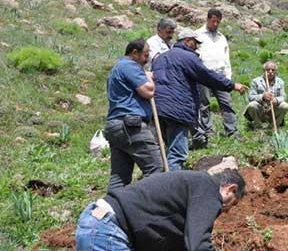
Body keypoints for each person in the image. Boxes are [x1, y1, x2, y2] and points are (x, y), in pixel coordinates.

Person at [75, 169, 246, 251]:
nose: (228, 211)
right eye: (234, 203)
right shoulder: (209, 188)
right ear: (230, 189)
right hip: (108, 230)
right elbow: (199, 245)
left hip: (97, 224)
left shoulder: (190, 189)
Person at [152, 28, 247, 171]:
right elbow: (207, 76)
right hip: (177, 109)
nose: (197, 47)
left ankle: (160, 182)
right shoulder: (188, 57)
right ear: (187, 41)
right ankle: (173, 188)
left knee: (167, 150)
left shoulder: (160, 58)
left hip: (158, 110)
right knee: (177, 154)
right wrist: (232, 85)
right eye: (196, 43)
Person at [104, 39, 163, 192]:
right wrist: (148, 78)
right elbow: (148, 91)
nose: (146, 59)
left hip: (115, 126)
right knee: (156, 169)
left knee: (119, 178)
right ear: (134, 53)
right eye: (145, 55)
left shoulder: (117, 68)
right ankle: (145, 207)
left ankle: (112, 211)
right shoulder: (130, 66)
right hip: (131, 125)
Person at [192, 8, 241, 146]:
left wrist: (228, 76)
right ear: (207, 19)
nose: (215, 24)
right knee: (204, 104)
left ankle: (232, 131)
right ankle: (208, 131)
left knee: (227, 103)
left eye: (218, 22)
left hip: (220, 75)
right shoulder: (198, 35)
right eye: (213, 21)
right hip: (204, 75)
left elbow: (226, 58)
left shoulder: (221, 37)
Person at [243, 61, 288, 128]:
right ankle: (258, 126)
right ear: (263, 71)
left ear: (276, 71)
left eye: (273, 70)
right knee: (251, 105)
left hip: (273, 109)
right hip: (261, 109)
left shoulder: (280, 82)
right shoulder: (256, 81)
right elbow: (251, 97)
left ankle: (274, 126)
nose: (270, 72)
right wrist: (262, 97)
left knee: (285, 106)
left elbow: (283, 96)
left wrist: (276, 100)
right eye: (268, 70)